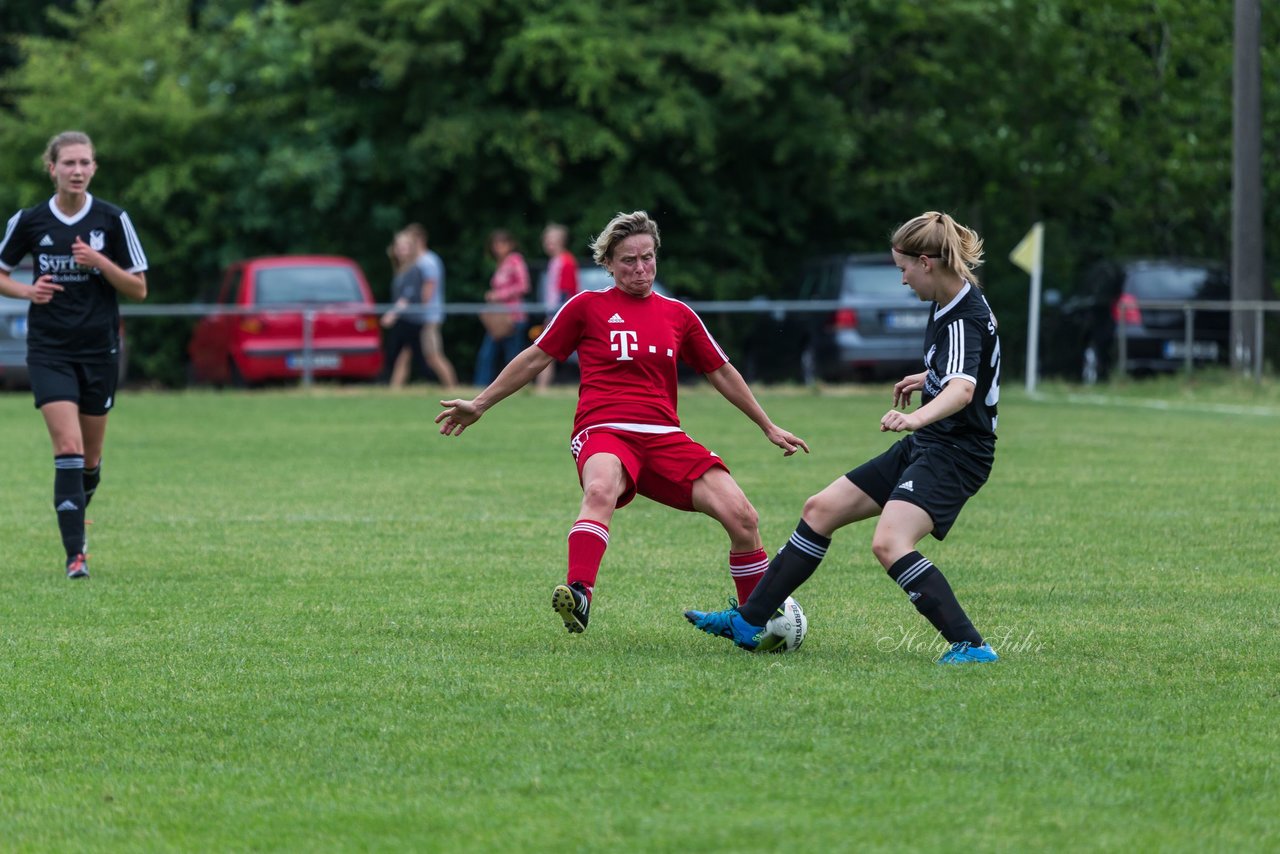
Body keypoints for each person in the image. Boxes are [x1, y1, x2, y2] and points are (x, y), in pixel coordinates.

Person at [437, 210, 809, 634]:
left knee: (743, 517)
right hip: (604, 430)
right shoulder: (585, 307)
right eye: (629, 260)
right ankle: (579, 594)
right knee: (600, 489)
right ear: (609, 264)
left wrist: (767, 425)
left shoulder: (678, 315)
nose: (640, 268)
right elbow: (536, 358)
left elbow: (721, 371)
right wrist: (481, 403)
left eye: (648, 258)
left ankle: (752, 623)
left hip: (666, 436)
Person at [685, 211, 1002, 664]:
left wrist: (916, 418)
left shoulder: (961, 318)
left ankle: (972, 646)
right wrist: (926, 377)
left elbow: (963, 389)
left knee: (890, 543)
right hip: (935, 444)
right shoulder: (951, 301)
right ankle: (748, 621)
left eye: (904, 269)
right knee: (821, 509)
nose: (903, 281)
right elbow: (960, 371)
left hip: (957, 452)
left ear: (927, 262)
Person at [0, 130, 149, 579]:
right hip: (48, 350)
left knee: (89, 460)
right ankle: (75, 555)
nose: (78, 170)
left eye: (85, 163)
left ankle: (79, 509)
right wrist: (28, 290)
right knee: (67, 447)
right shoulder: (29, 221)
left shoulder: (112, 219)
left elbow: (139, 289)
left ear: (94, 168)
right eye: (69, 163)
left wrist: (100, 263)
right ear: (53, 168)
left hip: (99, 350)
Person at [381, 224, 457, 389]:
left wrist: (411, 309)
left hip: (427, 317)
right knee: (405, 355)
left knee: (433, 355)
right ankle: (394, 389)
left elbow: (425, 292)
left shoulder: (426, 261)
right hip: (419, 317)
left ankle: (452, 387)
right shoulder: (411, 263)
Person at [472, 229, 530, 386]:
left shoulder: (515, 260)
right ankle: (481, 386)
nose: (498, 247)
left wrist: (499, 295)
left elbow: (524, 286)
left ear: (511, 244)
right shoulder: (501, 263)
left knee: (513, 356)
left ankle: (516, 385)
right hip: (499, 318)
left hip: (513, 317)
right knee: (488, 355)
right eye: (495, 244)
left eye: (502, 243)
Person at [534, 223, 579, 391]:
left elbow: (565, 291)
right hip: (557, 312)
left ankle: (541, 387)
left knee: (546, 348)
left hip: (561, 312)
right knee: (547, 349)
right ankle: (541, 387)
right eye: (546, 240)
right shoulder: (556, 261)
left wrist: (555, 315)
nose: (547, 244)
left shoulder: (565, 261)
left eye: (551, 240)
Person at [380, 229, 425, 388]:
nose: (401, 250)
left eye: (405, 246)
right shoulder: (401, 269)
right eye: (398, 246)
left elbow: (406, 298)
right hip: (405, 319)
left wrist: (392, 314)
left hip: (410, 320)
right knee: (403, 356)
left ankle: (445, 385)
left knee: (418, 357)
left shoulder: (413, 269)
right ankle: (395, 386)